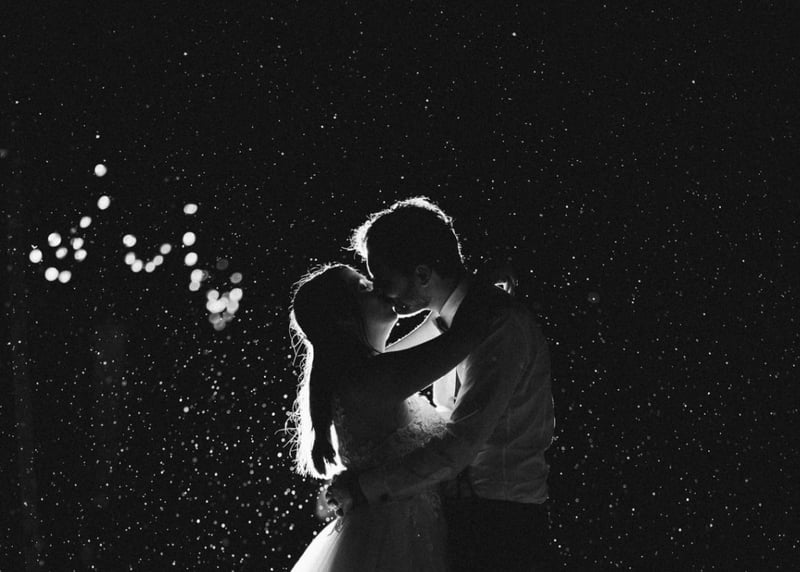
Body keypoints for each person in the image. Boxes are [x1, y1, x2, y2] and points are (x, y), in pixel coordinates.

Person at [327, 197, 558, 571]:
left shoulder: (499, 324)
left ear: (422, 274)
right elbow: (385, 370)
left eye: (384, 279)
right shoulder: (456, 325)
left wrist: (364, 488)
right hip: (467, 516)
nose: (381, 291)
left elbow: (461, 443)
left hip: (503, 524)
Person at [288, 262, 490, 572]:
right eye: (364, 287)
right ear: (344, 318)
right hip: (399, 541)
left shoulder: (368, 372)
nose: (379, 286)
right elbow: (465, 336)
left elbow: (437, 327)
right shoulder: (370, 379)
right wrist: (483, 285)